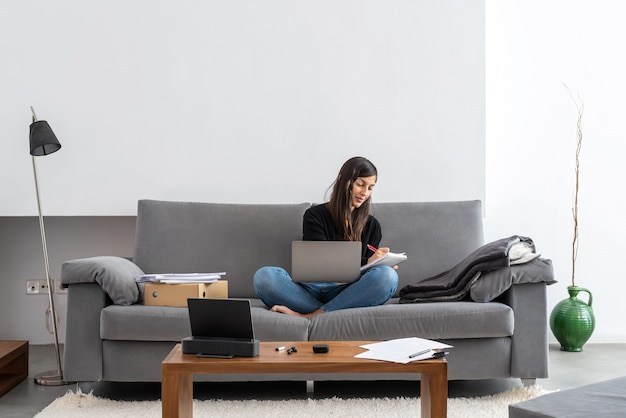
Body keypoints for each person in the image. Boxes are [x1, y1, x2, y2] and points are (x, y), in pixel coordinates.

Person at [253, 156, 399, 318]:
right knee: (264, 276)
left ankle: (311, 315)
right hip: (310, 290)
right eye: (360, 184)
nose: (365, 193)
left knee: (387, 276)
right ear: (343, 181)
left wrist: (379, 264)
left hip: (348, 291)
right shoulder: (315, 215)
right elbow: (321, 261)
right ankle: (332, 311)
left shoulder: (372, 225)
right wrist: (367, 261)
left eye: (370, 188)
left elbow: (365, 275)